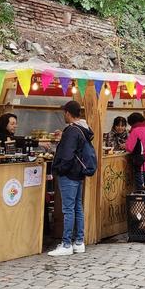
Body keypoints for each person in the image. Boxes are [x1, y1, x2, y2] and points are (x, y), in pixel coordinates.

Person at [48, 100, 93, 257]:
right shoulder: (83, 128)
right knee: (77, 207)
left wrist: (60, 169)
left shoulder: (72, 131)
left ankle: (66, 243)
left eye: (64, 113)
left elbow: (67, 155)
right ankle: (79, 242)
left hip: (69, 174)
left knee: (68, 209)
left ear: (68, 113)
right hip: (78, 173)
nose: (63, 115)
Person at [125, 112, 145, 189]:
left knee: (141, 194)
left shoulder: (135, 131)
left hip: (142, 165)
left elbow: (129, 148)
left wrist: (124, 145)